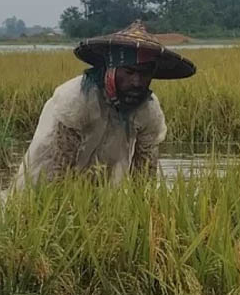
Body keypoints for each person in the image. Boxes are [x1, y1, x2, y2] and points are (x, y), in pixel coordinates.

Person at [14, 21, 196, 188]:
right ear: (112, 68)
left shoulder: (149, 109)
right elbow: (58, 169)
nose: (137, 82)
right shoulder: (77, 99)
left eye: (145, 74)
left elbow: (144, 173)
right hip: (40, 185)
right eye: (129, 72)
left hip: (101, 191)